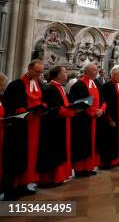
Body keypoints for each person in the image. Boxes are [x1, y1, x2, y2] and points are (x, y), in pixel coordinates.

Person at [2, 59, 46, 198]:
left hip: (36, 125)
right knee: (18, 156)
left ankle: (25, 183)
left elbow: (44, 100)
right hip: (20, 127)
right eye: (37, 72)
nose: (39, 75)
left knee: (32, 156)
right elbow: (11, 104)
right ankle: (13, 187)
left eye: (41, 72)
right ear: (29, 68)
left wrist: (43, 108)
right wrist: (22, 112)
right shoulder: (16, 84)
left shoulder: (39, 83)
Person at [37, 65, 76, 186]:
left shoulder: (59, 87)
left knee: (59, 151)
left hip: (60, 124)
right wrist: (72, 111)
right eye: (64, 72)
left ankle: (57, 177)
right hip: (52, 126)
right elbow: (54, 108)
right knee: (52, 152)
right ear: (58, 75)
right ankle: (49, 179)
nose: (66, 74)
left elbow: (62, 103)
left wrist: (72, 106)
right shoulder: (51, 88)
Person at [69, 62, 105, 177]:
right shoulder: (78, 85)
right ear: (86, 72)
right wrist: (91, 112)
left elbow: (103, 100)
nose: (97, 71)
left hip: (96, 118)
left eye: (97, 69)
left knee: (93, 144)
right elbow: (76, 103)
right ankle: (80, 169)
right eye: (94, 70)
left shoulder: (97, 83)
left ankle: (89, 167)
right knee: (82, 144)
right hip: (83, 120)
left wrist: (102, 110)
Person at [97, 65, 119, 169]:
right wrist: (109, 119)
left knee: (116, 140)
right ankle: (106, 162)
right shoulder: (107, 86)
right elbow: (106, 103)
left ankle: (115, 160)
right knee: (108, 140)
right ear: (113, 74)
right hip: (111, 118)